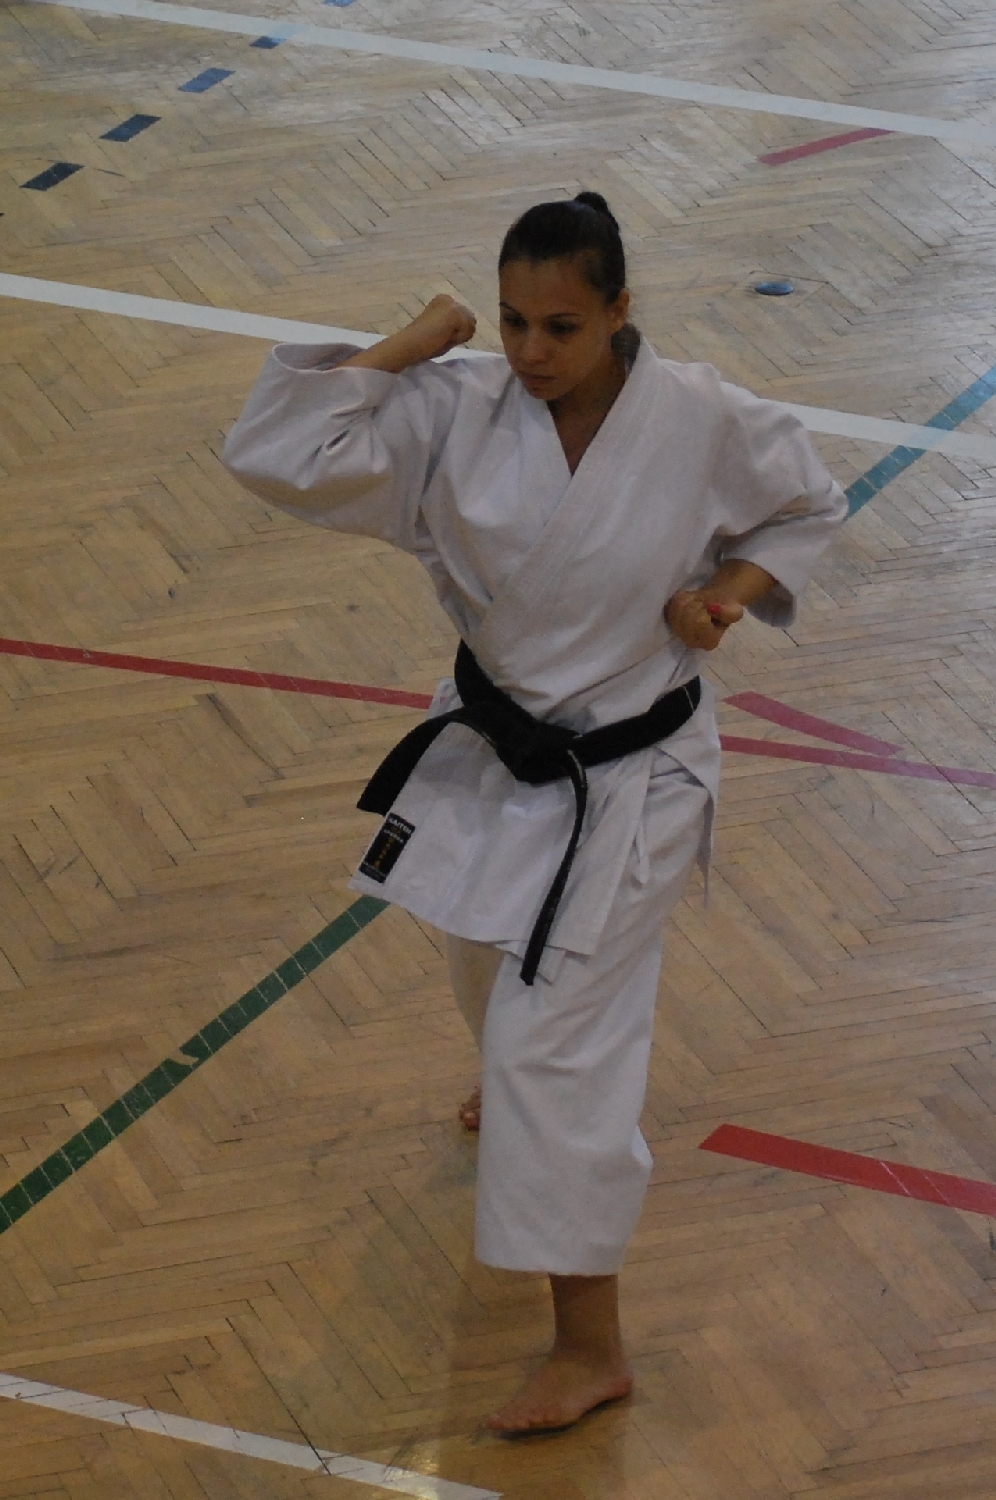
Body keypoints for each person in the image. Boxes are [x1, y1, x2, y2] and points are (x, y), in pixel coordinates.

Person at [222, 192, 847, 1434]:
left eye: (560, 325)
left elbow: (806, 504)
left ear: (620, 312)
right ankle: (520, 1097)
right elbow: (277, 451)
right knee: (480, 963)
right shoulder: (456, 408)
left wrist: (724, 595)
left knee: (546, 1049)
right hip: (496, 753)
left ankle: (589, 1346)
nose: (530, 350)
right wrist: (418, 339)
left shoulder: (699, 416)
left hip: (631, 781)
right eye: (511, 321)